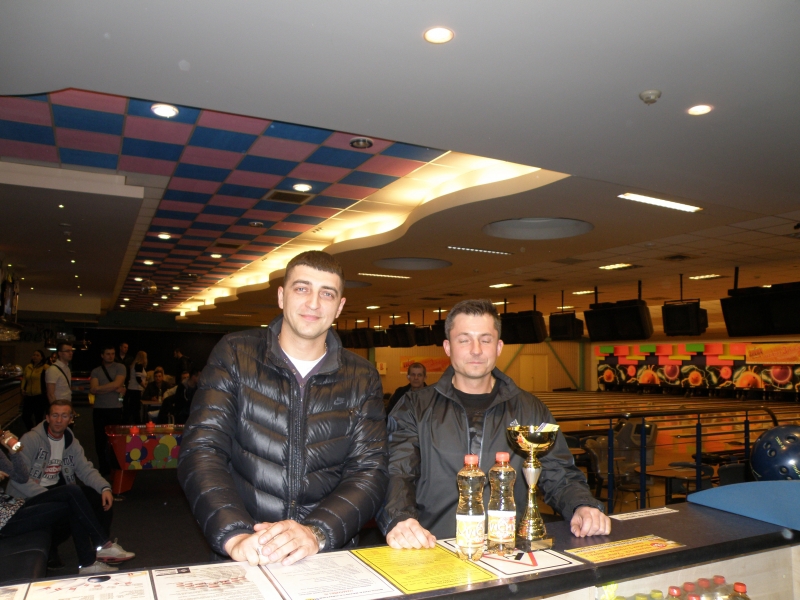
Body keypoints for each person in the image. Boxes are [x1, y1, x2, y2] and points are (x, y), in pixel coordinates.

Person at [178, 250, 387, 567]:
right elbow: (202, 450)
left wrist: (315, 532)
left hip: (325, 555)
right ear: (281, 296)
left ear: (340, 306)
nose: (313, 303)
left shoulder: (362, 376)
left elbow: (369, 471)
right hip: (248, 550)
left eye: (327, 293)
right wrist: (235, 534)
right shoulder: (235, 354)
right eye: (302, 288)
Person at [378, 299, 610, 549]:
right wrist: (399, 518)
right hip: (434, 547)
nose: (476, 350)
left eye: (485, 340)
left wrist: (582, 505)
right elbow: (397, 472)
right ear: (447, 347)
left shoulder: (530, 409)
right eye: (464, 340)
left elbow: (559, 472)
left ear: (499, 347)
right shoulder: (414, 408)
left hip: (510, 550)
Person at [5, 401, 135, 572]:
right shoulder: (30, 440)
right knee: (73, 495)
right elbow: (18, 479)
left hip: (57, 492)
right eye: (55, 415)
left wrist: (105, 488)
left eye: (64, 416)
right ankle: (101, 547)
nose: (59, 420)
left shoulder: (71, 441)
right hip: (26, 496)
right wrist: (52, 496)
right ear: (47, 418)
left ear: (71, 419)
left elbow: (85, 469)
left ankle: (96, 553)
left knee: (97, 497)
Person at [89, 345, 126, 476]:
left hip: (115, 409)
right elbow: (93, 389)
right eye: (108, 354)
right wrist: (112, 387)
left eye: (112, 353)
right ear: (102, 355)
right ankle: (103, 467)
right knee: (100, 440)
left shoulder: (120, 367)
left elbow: (117, 384)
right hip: (99, 409)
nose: (111, 356)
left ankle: (115, 466)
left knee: (115, 441)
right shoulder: (96, 371)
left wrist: (100, 388)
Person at [22, 349, 49, 430]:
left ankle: (38, 433)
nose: (35, 357)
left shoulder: (45, 367)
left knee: (38, 418)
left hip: (39, 396)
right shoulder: (28, 367)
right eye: (34, 355)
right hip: (29, 396)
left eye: (37, 355)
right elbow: (24, 378)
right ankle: (31, 431)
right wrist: (22, 388)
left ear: (41, 357)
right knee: (25, 416)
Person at [124, 351, 148, 423]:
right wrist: (145, 387)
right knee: (135, 409)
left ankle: (129, 423)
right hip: (136, 390)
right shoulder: (139, 365)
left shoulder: (134, 365)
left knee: (132, 409)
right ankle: (137, 424)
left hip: (132, 389)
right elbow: (138, 379)